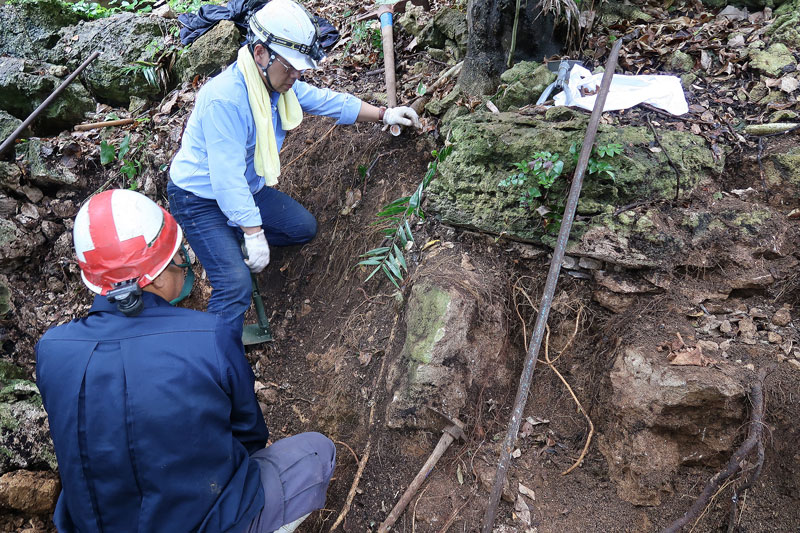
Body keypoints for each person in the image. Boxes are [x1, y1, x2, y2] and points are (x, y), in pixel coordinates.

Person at [35, 189, 335, 533]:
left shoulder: (52, 350)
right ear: (159, 275)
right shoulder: (211, 336)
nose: (184, 259)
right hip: (205, 523)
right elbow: (250, 436)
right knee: (317, 452)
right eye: (179, 253)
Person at [168, 0, 420, 336]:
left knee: (302, 228)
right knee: (234, 287)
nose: (296, 75)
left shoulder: (276, 86)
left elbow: (329, 101)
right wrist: (253, 232)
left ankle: (227, 240)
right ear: (260, 53)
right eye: (290, 67)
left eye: (299, 68)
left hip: (247, 189)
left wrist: (383, 114)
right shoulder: (225, 99)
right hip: (199, 198)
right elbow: (226, 178)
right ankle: (209, 366)